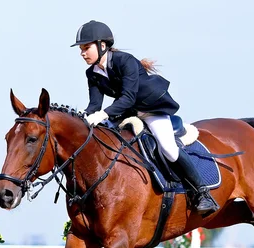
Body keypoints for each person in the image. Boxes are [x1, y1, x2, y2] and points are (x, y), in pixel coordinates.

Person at [71, 20, 219, 216]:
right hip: (127, 112)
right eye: (81, 49)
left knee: (168, 148)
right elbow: (94, 105)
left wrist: (104, 114)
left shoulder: (125, 61)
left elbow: (128, 97)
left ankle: (202, 193)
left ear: (102, 45)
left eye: (86, 47)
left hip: (151, 109)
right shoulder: (92, 73)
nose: (82, 53)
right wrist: (82, 116)